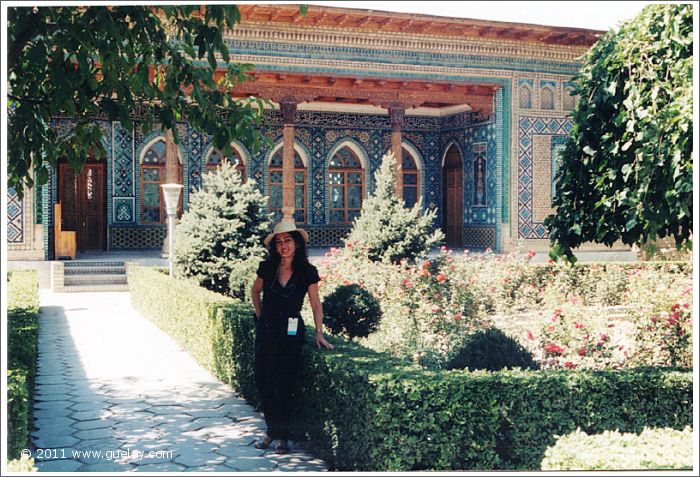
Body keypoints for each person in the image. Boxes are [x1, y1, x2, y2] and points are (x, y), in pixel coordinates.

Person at [250, 220, 335, 454]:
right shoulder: (267, 267)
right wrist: (260, 315)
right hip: (267, 331)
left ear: (297, 244)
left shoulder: (307, 271)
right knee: (265, 382)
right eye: (279, 242)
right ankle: (271, 431)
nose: (283, 246)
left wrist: (319, 332)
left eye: (288, 240)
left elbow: (316, 304)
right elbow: (255, 291)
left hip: (291, 332)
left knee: (284, 383)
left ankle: (283, 437)